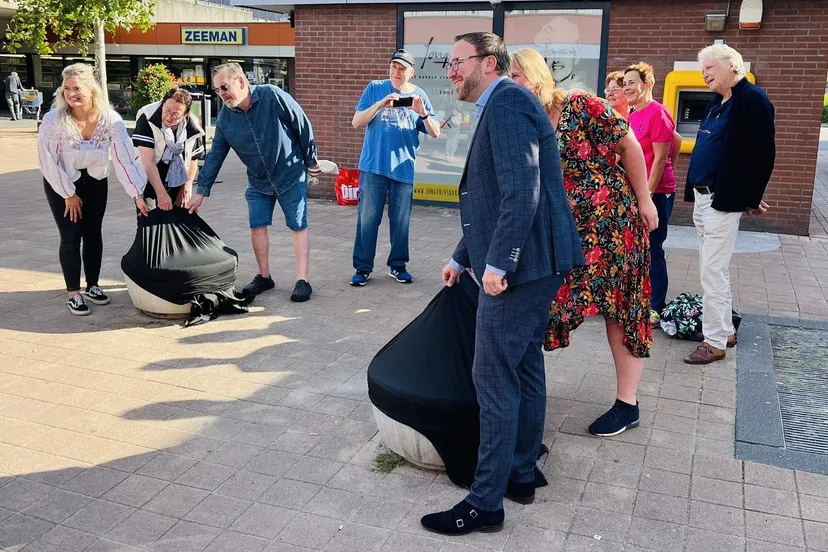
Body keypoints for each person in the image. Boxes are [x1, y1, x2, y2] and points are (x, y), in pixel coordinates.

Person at [420, 33, 584, 536]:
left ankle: (486, 502)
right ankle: (520, 472)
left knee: (493, 377)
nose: (449, 72)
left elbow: (522, 189)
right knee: (525, 365)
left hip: (524, 265)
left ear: (488, 63)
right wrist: (461, 254)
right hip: (538, 261)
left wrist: (499, 264)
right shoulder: (505, 102)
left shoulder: (509, 101)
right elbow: (493, 197)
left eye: (456, 62)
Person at [509, 48, 658, 437]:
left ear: (537, 78)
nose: (512, 84)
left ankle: (627, 404)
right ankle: (522, 391)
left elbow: (629, 147)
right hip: (569, 234)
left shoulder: (580, 104)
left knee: (620, 309)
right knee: (548, 303)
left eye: (517, 76)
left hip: (615, 226)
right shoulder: (525, 121)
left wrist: (645, 201)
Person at [188, 63, 321, 303]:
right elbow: (216, 153)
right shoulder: (226, 119)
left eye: (225, 87)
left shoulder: (272, 95)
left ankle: (303, 280)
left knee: (298, 224)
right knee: (257, 225)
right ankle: (264, 276)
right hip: (258, 180)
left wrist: (311, 160)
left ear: (241, 81)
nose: (222, 94)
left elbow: (302, 124)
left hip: (289, 174)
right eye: (218, 90)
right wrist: (201, 191)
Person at [684, 44, 774, 364]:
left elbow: (763, 155)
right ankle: (725, 329)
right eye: (702, 68)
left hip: (722, 200)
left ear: (733, 66)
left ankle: (715, 341)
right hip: (702, 195)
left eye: (709, 67)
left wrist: (749, 196)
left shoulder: (753, 100)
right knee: (714, 269)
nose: (704, 73)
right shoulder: (717, 100)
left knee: (711, 270)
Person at [38, 63, 149, 316]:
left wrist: (137, 194)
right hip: (62, 183)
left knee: (93, 233)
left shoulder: (110, 119)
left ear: (92, 91)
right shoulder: (53, 119)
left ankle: (93, 285)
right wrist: (69, 194)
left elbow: (124, 158)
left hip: (96, 182)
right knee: (70, 235)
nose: (71, 93)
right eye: (67, 89)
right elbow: (48, 161)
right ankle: (73, 293)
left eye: (77, 88)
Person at [350, 49, 440, 286]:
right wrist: (380, 104)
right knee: (368, 219)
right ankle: (362, 268)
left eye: (402, 68)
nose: (396, 72)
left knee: (401, 221)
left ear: (411, 72)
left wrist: (422, 113)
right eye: (393, 67)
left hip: (403, 170)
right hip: (373, 167)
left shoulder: (419, 95)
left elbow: (435, 131)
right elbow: (357, 122)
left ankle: (398, 266)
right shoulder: (374, 87)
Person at [624, 62, 677, 326]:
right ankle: (639, 301)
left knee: (653, 248)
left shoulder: (658, 113)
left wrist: (648, 196)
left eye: (632, 82)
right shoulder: (633, 115)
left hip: (656, 194)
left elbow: (661, 158)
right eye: (625, 84)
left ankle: (656, 307)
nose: (627, 88)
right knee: (637, 249)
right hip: (639, 192)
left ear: (648, 84)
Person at [133, 87, 205, 210]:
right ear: (162, 103)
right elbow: (147, 162)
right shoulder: (147, 116)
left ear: (185, 115)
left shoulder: (192, 125)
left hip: (179, 178)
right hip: (148, 179)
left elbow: (193, 159)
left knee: (179, 221)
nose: (168, 117)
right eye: (166, 110)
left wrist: (186, 189)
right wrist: (161, 194)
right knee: (150, 223)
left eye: (175, 114)